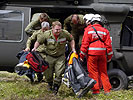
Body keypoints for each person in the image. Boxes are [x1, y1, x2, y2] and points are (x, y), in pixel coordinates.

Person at [32, 21, 76, 94]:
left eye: (59, 29)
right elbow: (38, 41)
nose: (58, 31)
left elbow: (71, 39)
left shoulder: (65, 33)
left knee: (59, 73)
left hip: (60, 56)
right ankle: (50, 84)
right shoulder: (46, 34)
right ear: (52, 28)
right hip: (49, 56)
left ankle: (55, 89)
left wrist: (73, 48)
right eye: (56, 29)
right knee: (48, 74)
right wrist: (35, 48)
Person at [80, 14, 113, 95]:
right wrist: (109, 56)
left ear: (92, 21)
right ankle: (107, 90)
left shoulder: (88, 30)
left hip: (92, 55)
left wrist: (81, 55)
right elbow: (109, 45)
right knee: (103, 72)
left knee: (93, 72)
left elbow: (84, 44)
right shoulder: (105, 31)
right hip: (102, 55)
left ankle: (96, 90)